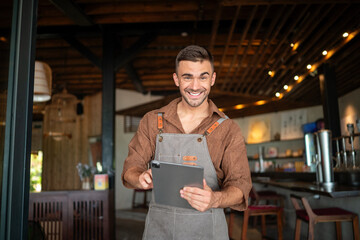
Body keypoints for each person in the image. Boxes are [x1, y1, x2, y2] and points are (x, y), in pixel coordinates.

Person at [121, 45, 252, 240]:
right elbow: (130, 170)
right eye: (187, 77)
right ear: (176, 79)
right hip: (159, 231)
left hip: (207, 231)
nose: (195, 86)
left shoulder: (228, 129)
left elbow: (241, 188)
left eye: (203, 77)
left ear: (213, 79)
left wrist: (215, 199)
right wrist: (140, 178)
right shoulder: (152, 121)